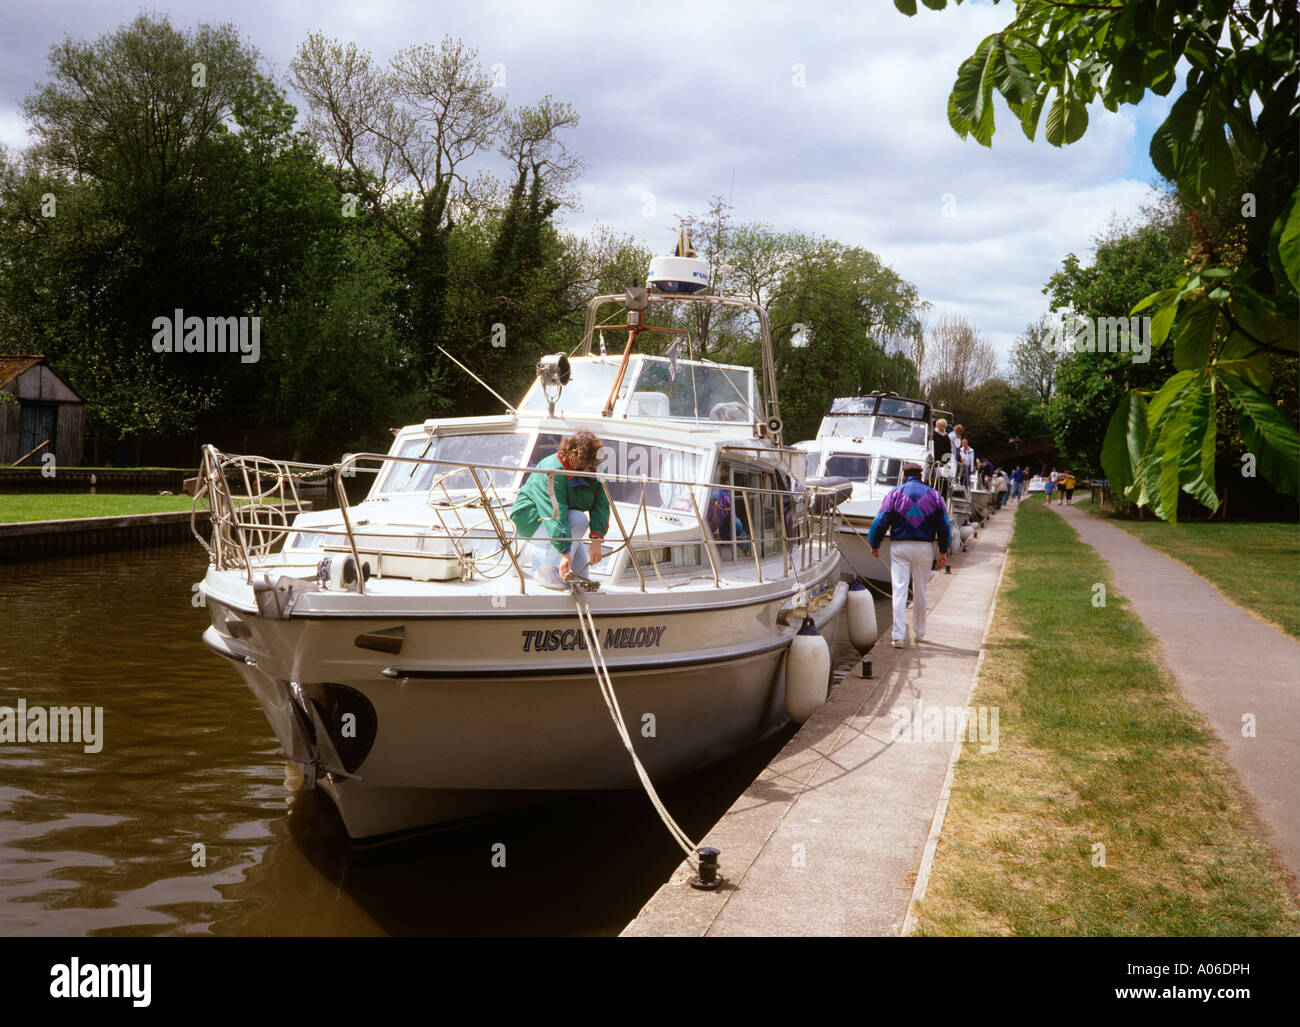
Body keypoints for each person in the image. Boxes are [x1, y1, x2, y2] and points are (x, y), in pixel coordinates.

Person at [510, 429, 610, 588]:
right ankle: (538, 560)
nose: (586, 473)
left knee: (580, 577)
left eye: (590, 468)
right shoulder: (553, 470)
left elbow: (601, 505)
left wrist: (597, 540)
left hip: (564, 524)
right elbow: (556, 513)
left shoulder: (598, 469)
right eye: (580, 469)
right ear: (569, 457)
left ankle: (535, 554)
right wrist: (564, 552)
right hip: (532, 518)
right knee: (579, 519)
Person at [867, 462, 951, 648]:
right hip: (924, 547)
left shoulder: (895, 493)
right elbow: (944, 525)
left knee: (899, 590)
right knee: (921, 590)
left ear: (904, 475)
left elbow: (881, 521)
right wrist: (944, 551)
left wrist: (875, 544)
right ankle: (919, 633)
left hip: (900, 547)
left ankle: (898, 636)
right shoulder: (934, 495)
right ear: (921, 475)